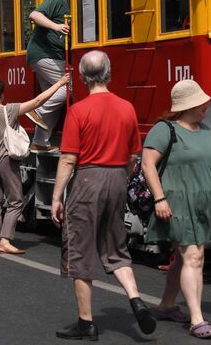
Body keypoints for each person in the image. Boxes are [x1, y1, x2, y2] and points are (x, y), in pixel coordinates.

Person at [50, 51, 154, 340]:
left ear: (83, 77)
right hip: (117, 178)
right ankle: (135, 298)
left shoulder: (79, 110)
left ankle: (86, 323)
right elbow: (134, 155)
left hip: (88, 179)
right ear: (109, 74)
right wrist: (122, 177)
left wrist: (57, 196)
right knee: (115, 247)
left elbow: (69, 158)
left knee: (80, 251)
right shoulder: (127, 108)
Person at [141, 79, 211, 339]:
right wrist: (159, 199)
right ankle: (197, 319)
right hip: (179, 203)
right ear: (187, 105)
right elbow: (147, 164)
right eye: (201, 103)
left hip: (205, 204)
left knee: (186, 257)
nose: (205, 107)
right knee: (194, 258)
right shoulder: (165, 130)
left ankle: (166, 305)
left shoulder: (205, 130)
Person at [0, 72, 69, 254]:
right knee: (16, 201)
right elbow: (37, 102)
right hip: (6, 161)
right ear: (1, 93)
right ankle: (5, 239)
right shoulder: (9, 110)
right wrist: (59, 83)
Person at [25, 0, 71, 153]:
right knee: (71, 87)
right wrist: (56, 26)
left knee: (51, 97)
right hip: (45, 55)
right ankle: (36, 110)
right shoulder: (58, 0)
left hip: (49, 56)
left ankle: (39, 142)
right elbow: (34, 15)